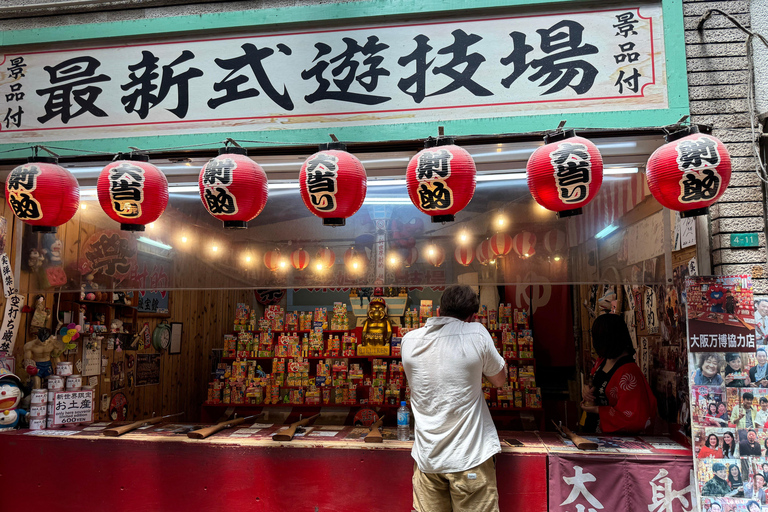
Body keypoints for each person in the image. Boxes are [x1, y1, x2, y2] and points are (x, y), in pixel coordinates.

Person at [401, 284, 507, 512]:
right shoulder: (477, 333)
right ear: (472, 316)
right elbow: (499, 380)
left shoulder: (409, 341)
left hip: (428, 459)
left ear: (439, 311)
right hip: (470, 457)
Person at [580, 314, 657, 433]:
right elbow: (593, 384)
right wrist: (586, 391)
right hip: (592, 429)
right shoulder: (602, 360)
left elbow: (634, 418)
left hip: (615, 438)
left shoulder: (628, 373)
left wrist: (597, 410)